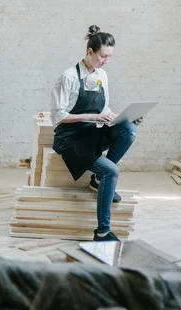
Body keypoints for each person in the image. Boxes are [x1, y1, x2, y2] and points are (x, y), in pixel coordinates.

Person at [50, 25, 142, 242]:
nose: (106, 61)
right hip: (70, 139)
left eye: (109, 56)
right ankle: (102, 232)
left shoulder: (102, 75)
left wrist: (123, 116)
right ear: (90, 52)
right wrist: (91, 117)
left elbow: (104, 110)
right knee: (111, 172)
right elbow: (58, 117)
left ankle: (99, 180)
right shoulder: (69, 77)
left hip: (92, 133)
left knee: (129, 130)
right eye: (103, 56)